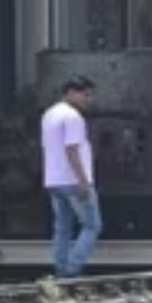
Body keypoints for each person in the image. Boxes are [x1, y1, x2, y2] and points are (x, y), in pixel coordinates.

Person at [41, 75, 101, 278]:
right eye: (85, 95)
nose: (88, 100)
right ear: (71, 93)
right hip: (73, 181)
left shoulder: (49, 114)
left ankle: (60, 269)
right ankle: (72, 270)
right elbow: (72, 150)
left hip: (53, 180)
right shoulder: (73, 117)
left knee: (62, 228)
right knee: (92, 225)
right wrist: (83, 181)